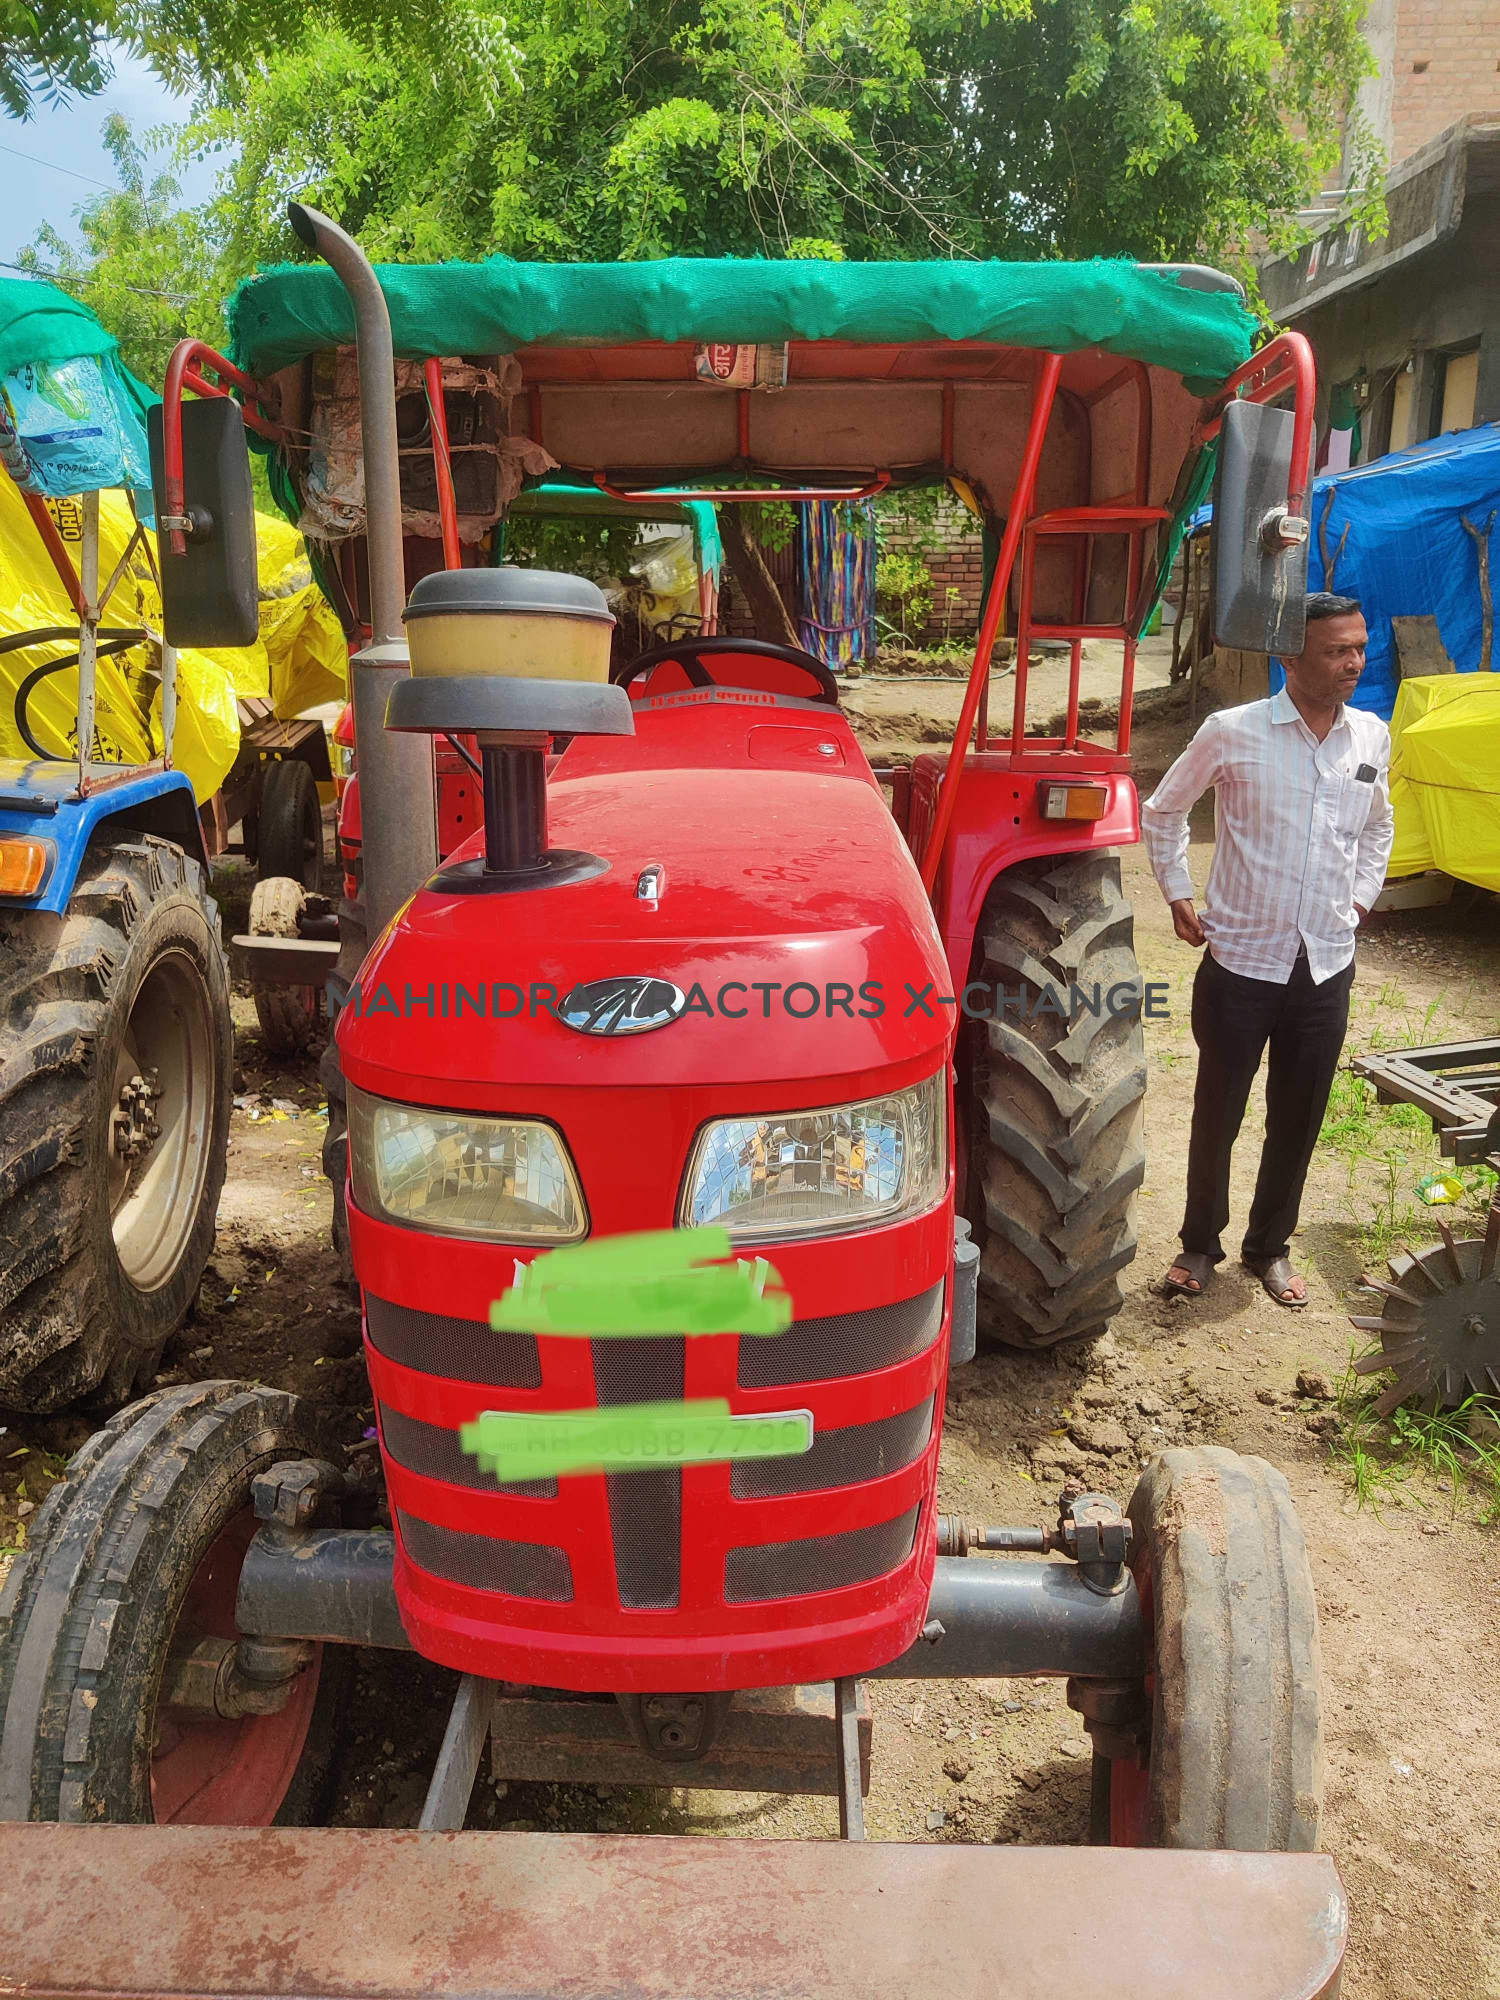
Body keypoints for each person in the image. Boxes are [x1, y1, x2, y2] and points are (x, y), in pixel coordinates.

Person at [1140, 592, 1394, 1309]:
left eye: (1359, 646)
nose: (1354, 662)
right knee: (1218, 1109)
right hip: (1241, 963)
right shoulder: (1233, 731)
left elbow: (1379, 825)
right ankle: (1199, 1243)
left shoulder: (1371, 736)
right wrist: (1177, 891)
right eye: (1336, 650)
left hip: (1326, 964)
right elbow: (1162, 813)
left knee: (1300, 1111)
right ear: (1290, 657)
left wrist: (1359, 901)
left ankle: (1270, 1248)